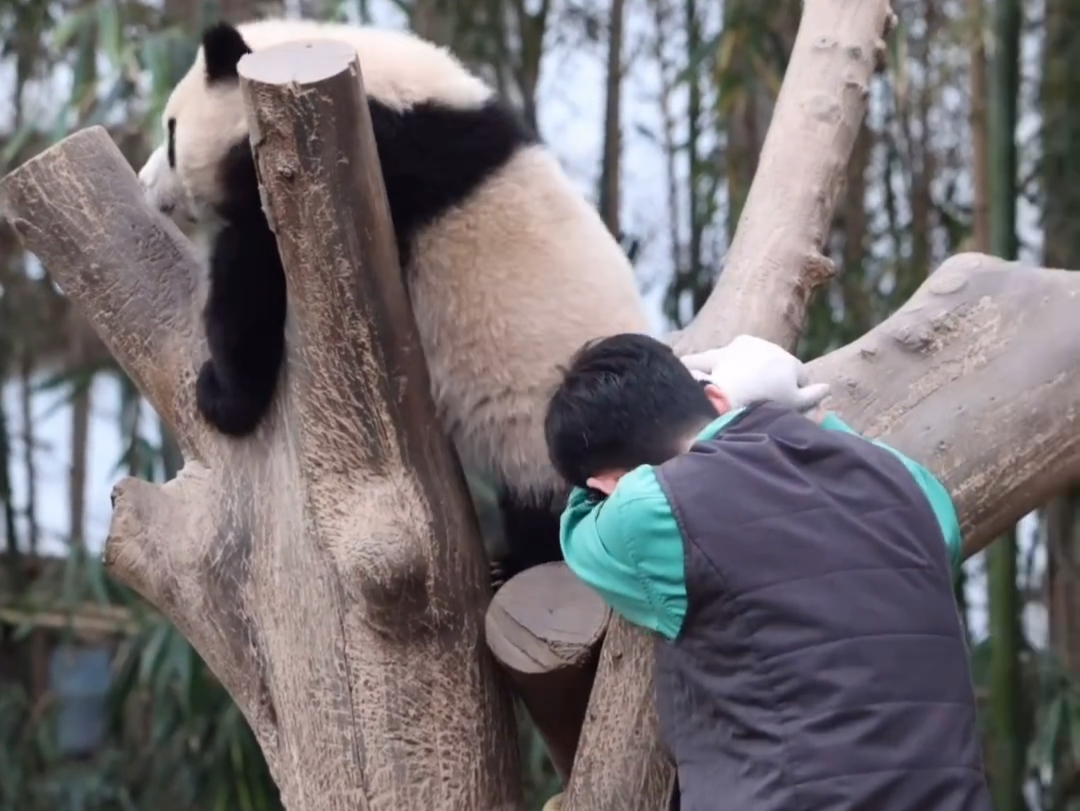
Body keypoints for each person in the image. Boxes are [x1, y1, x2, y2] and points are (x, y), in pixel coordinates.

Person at [543, 332, 991, 811]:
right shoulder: (906, 480)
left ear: (609, 483)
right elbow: (940, 531)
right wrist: (801, 415)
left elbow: (581, 538)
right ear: (715, 399)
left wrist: (593, 492)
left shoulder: (649, 512)